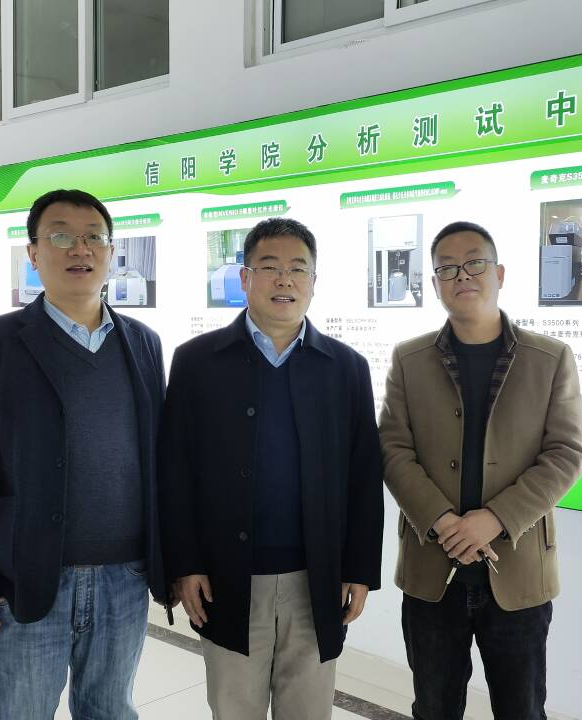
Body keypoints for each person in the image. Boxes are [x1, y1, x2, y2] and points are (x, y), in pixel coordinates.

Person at [0, 188, 169, 719]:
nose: (80, 249)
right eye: (61, 236)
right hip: (24, 576)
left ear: (111, 252)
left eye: (94, 237)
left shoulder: (144, 343)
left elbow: (158, 464)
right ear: (34, 253)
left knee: (110, 710)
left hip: (125, 579)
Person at [160, 217, 384, 720]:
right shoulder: (197, 362)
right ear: (245, 278)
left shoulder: (346, 368)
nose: (285, 279)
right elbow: (175, 472)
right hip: (227, 577)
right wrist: (185, 564)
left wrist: (359, 569)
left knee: (308, 710)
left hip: (317, 578)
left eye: (298, 269)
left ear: (313, 282)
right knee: (234, 708)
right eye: (269, 267)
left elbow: (364, 477)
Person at [378, 221, 582, 720]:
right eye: (447, 268)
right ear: (434, 284)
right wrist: (443, 521)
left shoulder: (549, 358)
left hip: (518, 573)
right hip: (433, 570)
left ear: (499, 274)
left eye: (474, 262)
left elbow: (566, 453)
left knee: (521, 710)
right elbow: (392, 449)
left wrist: (494, 519)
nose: (462, 275)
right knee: (434, 708)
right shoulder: (409, 359)